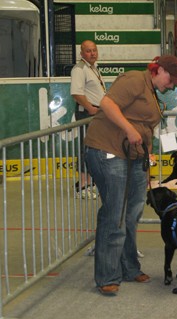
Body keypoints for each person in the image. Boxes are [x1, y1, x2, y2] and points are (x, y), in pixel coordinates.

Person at [84, 55, 177, 295]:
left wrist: (147, 161)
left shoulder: (151, 92)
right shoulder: (133, 80)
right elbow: (107, 104)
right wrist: (129, 129)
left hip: (133, 158)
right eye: (171, 80)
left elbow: (146, 129)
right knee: (116, 215)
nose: (171, 86)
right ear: (158, 70)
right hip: (108, 150)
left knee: (131, 215)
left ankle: (129, 267)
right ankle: (107, 276)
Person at [70, 40, 106, 199]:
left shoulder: (93, 68)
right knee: (86, 148)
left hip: (95, 113)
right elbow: (76, 93)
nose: (92, 53)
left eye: (94, 50)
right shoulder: (79, 69)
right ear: (81, 53)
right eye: (88, 51)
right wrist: (91, 108)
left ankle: (90, 182)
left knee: (93, 148)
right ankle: (83, 185)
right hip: (87, 112)